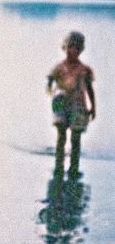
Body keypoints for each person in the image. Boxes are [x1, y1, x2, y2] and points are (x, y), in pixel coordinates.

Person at [46, 31, 96, 178]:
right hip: (61, 102)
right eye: (69, 47)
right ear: (64, 48)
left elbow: (90, 89)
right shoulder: (58, 68)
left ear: (80, 50)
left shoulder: (85, 70)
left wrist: (93, 107)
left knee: (75, 137)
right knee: (61, 134)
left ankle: (74, 168)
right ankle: (59, 166)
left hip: (78, 105)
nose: (71, 51)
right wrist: (52, 92)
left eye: (75, 48)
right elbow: (49, 83)